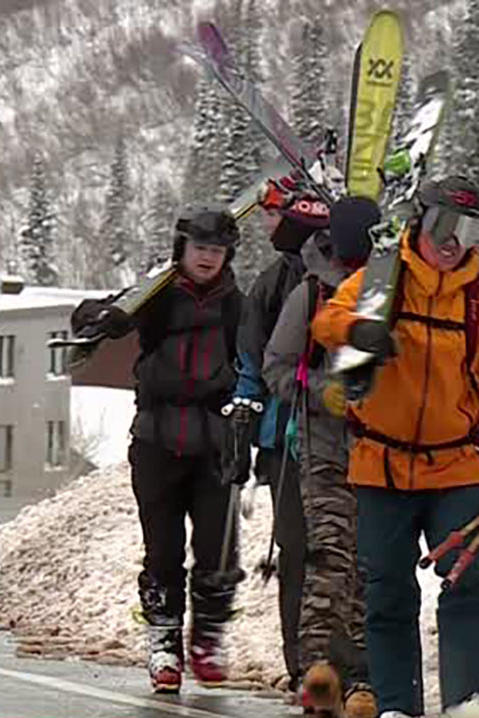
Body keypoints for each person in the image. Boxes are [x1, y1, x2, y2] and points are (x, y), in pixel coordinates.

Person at [311, 177, 479, 718]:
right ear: (419, 221)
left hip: (454, 468)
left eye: (469, 230)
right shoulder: (381, 281)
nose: (454, 241)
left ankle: (466, 706)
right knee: (387, 596)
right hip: (379, 468)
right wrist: (360, 331)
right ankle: (396, 707)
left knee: (470, 584)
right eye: (445, 226)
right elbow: (326, 322)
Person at [70, 202, 245, 694]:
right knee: (162, 550)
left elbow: (257, 355)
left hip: (214, 443)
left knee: (217, 549)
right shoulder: (156, 295)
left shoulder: (237, 305)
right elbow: (94, 314)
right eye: (200, 248)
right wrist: (99, 318)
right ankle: (164, 642)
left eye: (217, 250)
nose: (208, 258)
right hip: (156, 440)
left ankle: (208, 637)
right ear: (182, 249)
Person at [263, 195, 382, 718]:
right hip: (324, 448)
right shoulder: (311, 293)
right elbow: (277, 366)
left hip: (382, 450)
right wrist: (319, 393)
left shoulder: (387, 291)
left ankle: (361, 675)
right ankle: (317, 669)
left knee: (368, 564)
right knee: (329, 557)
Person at [231, 180, 330, 693]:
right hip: (285, 437)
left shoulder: (342, 282)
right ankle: (301, 660)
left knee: (329, 549)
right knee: (296, 548)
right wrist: (247, 423)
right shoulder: (271, 286)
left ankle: (330, 654)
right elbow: (252, 360)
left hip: (327, 433)